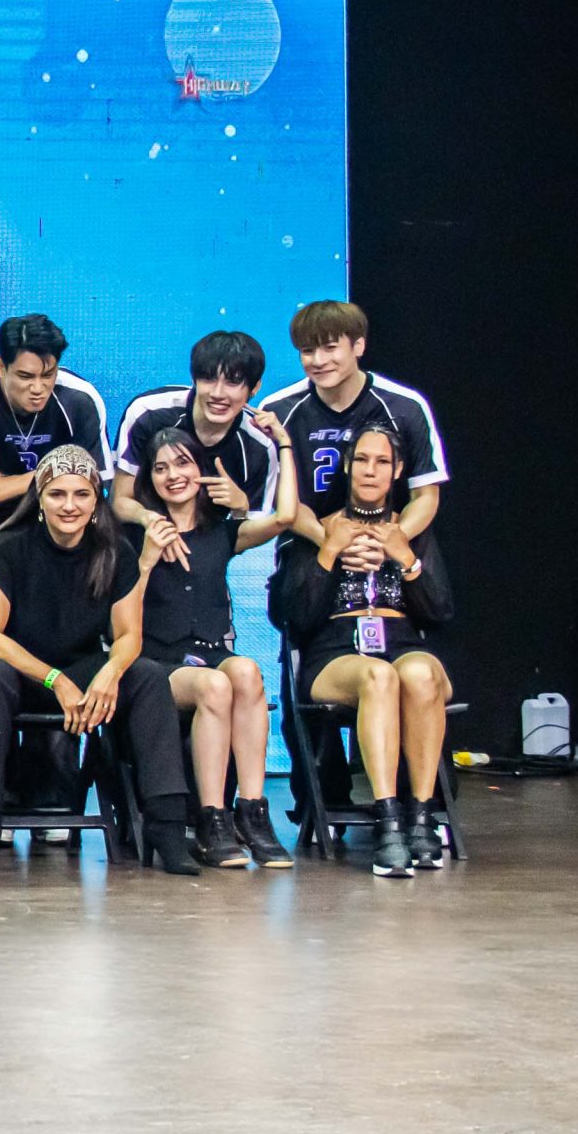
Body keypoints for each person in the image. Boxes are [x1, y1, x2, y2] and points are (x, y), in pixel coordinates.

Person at [0, 445, 198, 876]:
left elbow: (129, 636)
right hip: (21, 672)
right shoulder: (8, 546)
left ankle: (167, 827)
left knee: (147, 676)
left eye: (81, 494)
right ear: (40, 498)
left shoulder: (115, 550)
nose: (69, 505)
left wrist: (110, 671)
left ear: (95, 501)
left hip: (82, 669)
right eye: (57, 494)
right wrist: (55, 680)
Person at [276, 423, 457, 877]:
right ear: (347, 466)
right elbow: (294, 618)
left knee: (419, 674)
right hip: (335, 649)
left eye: (381, 462)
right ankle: (388, 818)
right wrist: (328, 551)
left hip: (400, 640)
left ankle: (421, 815)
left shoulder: (410, 530)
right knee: (379, 676)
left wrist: (405, 558)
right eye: (361, 460)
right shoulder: (321, 527)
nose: (370, 471)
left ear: (397, 470)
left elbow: (440, 611)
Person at [128, 423, 299, 869]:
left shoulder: (220, 531)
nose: (173, 475)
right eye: (161, 468)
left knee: (246, 672)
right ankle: (212, 819)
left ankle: (253, 811)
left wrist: (284, 444)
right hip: (157, 661)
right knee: (215, 685)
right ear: (149, 478)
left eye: (183, 463)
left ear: (200, 470)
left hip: (209, 650)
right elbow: (118, 613)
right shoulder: (134, 534)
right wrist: (147, 558)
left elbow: (285, 517)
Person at [258, 300, 448, 543]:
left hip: (391, 542)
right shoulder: (278, 410)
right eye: (308, 351)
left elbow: (425, 495)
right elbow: (282, 499)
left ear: (358, 346)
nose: (318, 360)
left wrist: (390, 542)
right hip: (310, 542)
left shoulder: (405, 406)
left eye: (330, 348)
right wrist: (331, 543)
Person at [0, 313, 112, 557]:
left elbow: (92, 486)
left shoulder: (80, 400)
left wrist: (1, 481)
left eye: (48, 375)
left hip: (64, 536)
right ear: (1, 367)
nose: (38, 388)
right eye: (25, 376)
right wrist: (53, 474)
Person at [111, 330, 285, 529]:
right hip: (140, 536)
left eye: (233, 382)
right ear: (193, 380)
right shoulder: (148, 412)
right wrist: (151, 521)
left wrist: (240, 508)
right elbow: (119, 501)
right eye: (209, 379)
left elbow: (250, 532)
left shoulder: (259, 445)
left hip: (211, 543)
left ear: (255, 388)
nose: (218, 394)